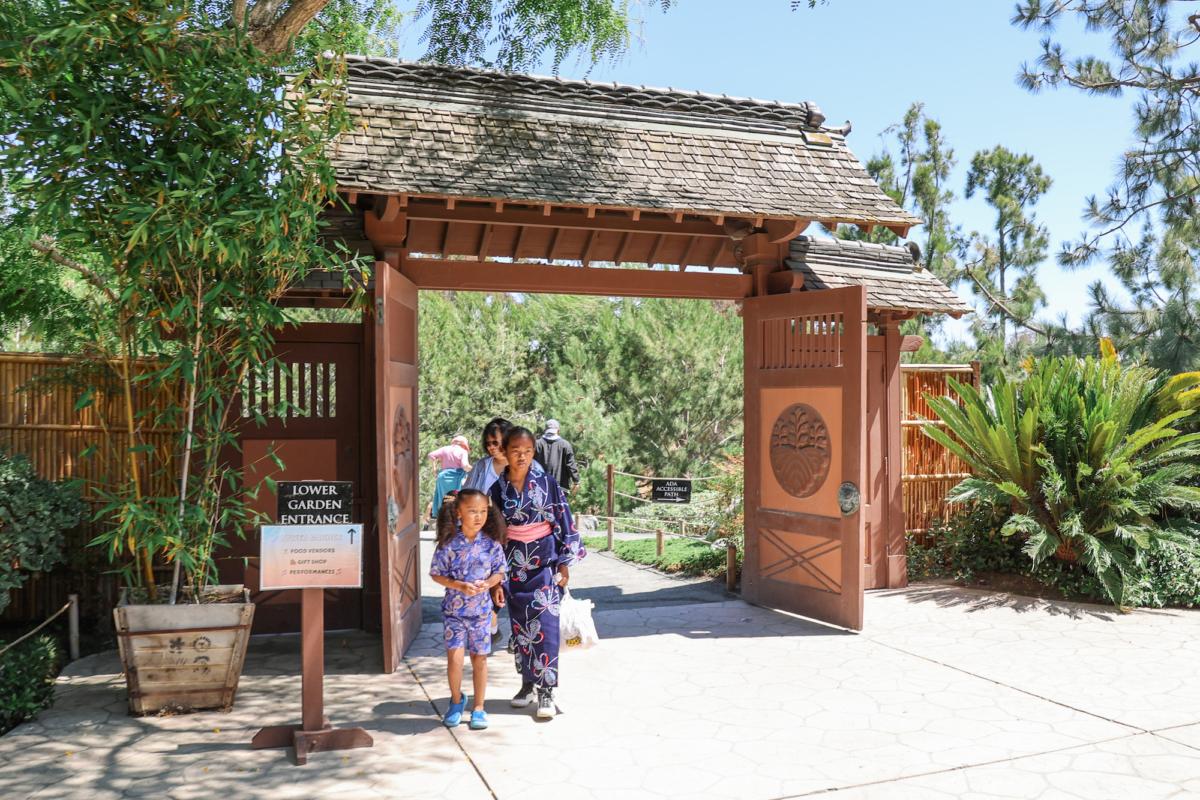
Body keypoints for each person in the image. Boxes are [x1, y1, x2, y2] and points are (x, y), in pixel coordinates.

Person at [489, 426, 585, 719]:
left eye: (528, 451)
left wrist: (565, 564)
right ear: (504, 452)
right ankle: (527, 683)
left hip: (544, 564)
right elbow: (493, 534)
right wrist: (494, 576)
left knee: (545, 626)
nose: (522, 457)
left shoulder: (547, 484)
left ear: (534, 452)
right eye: (515, 451)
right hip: (513, 565)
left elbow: (564, 521)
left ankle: (547, 690)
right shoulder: (496, 490)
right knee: (520, 628)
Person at [428, 489, 508, 730]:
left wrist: (490, 583)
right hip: (454, 612)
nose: (478, 516)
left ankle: (479, 707)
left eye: (483, 511)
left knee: (479, 659)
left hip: (482, 613)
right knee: (454, 658)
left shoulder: (491, 544)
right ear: (459, 512)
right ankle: (455, 701)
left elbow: (500, 571)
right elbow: (436, 574)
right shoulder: (449, 543)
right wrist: (459, 585)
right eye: (472, 511)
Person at [463, 417, 543, 494]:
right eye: (488, 443)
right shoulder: (481, 466)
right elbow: (465, 496)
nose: (491, 447)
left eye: (495, 443)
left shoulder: (533, 467)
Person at [428, 435, 471, 519]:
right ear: (464, 444)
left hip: (442, 478)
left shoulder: (444, 449)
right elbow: (464, 465)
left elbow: (431, 455)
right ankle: (455, 520)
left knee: (444, 500)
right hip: (456, 479)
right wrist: (473, 469)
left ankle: (443, 519)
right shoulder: (463, 451)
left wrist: (434, 469)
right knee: (456, 500)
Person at [534, 418, 580, 492]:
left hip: (540, 488)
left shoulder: (537, 444)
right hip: (560, 488)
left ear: (545, 430)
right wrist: (576, 481)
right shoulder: (565, 445)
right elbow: (571, 465)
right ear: (558, 431)